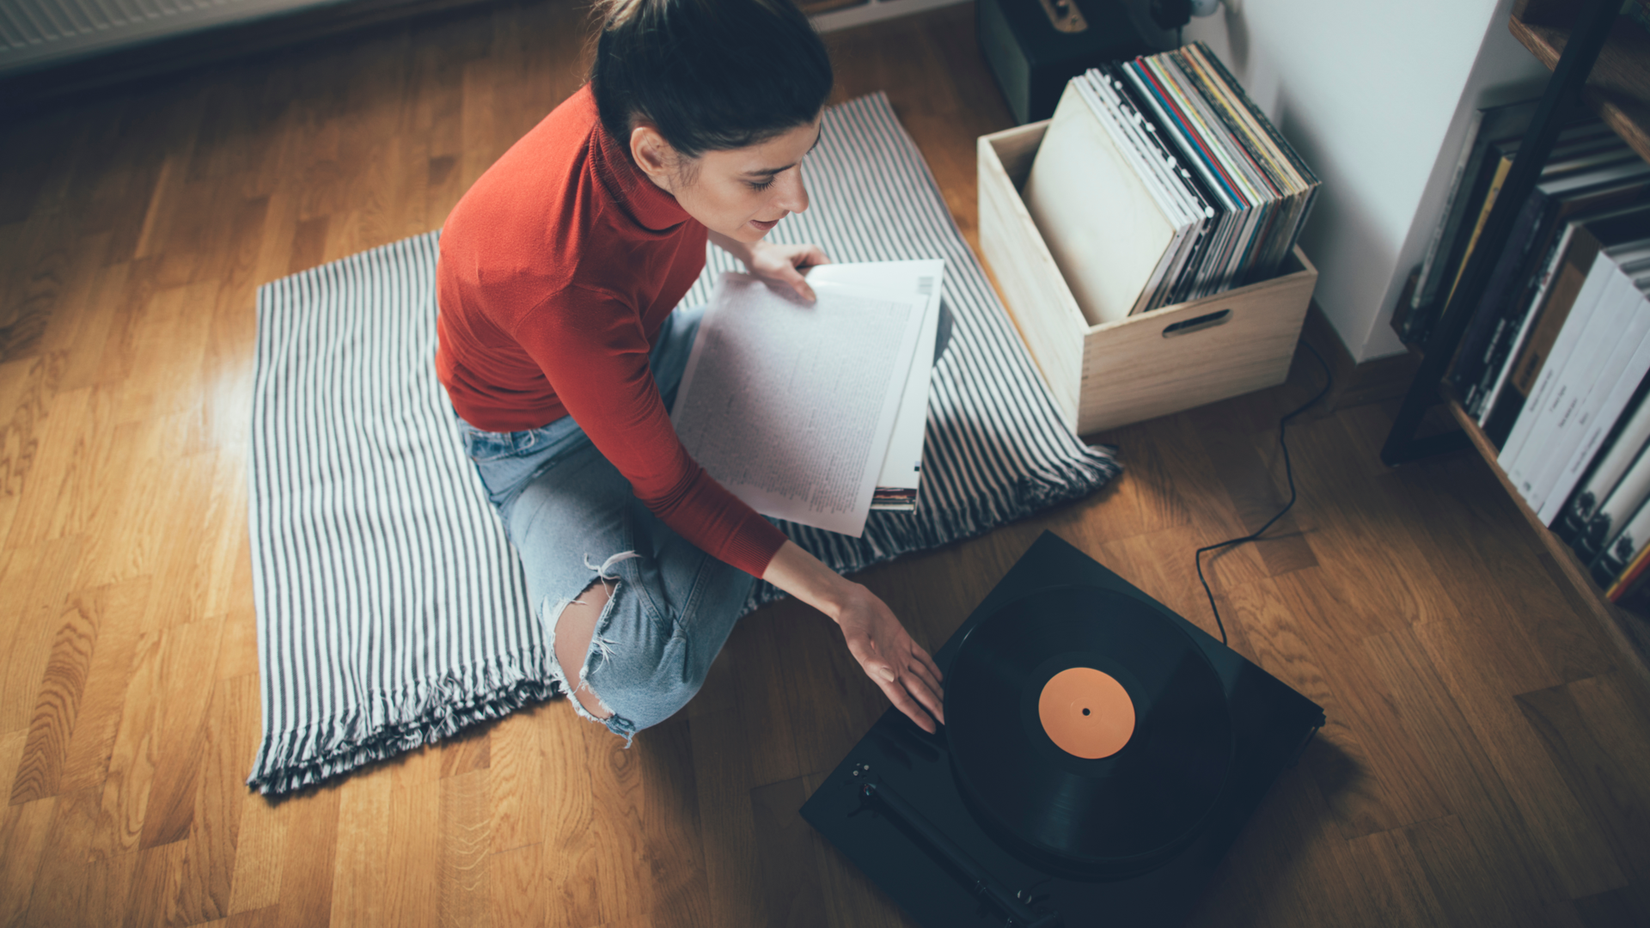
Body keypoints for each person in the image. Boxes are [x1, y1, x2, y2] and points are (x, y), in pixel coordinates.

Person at [434, 0, 943, 741]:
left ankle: (744, 461)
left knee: (924, 324)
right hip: (545, 448)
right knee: (637, 679)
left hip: (652, 351)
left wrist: (751, 246)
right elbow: (668, 487)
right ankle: (754, 462)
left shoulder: (650, 105)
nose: (798, 200)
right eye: (763, 178)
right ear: (653, 155)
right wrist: (842, 600)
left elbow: (695, 198)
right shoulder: (559, 280)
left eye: (801, 160)